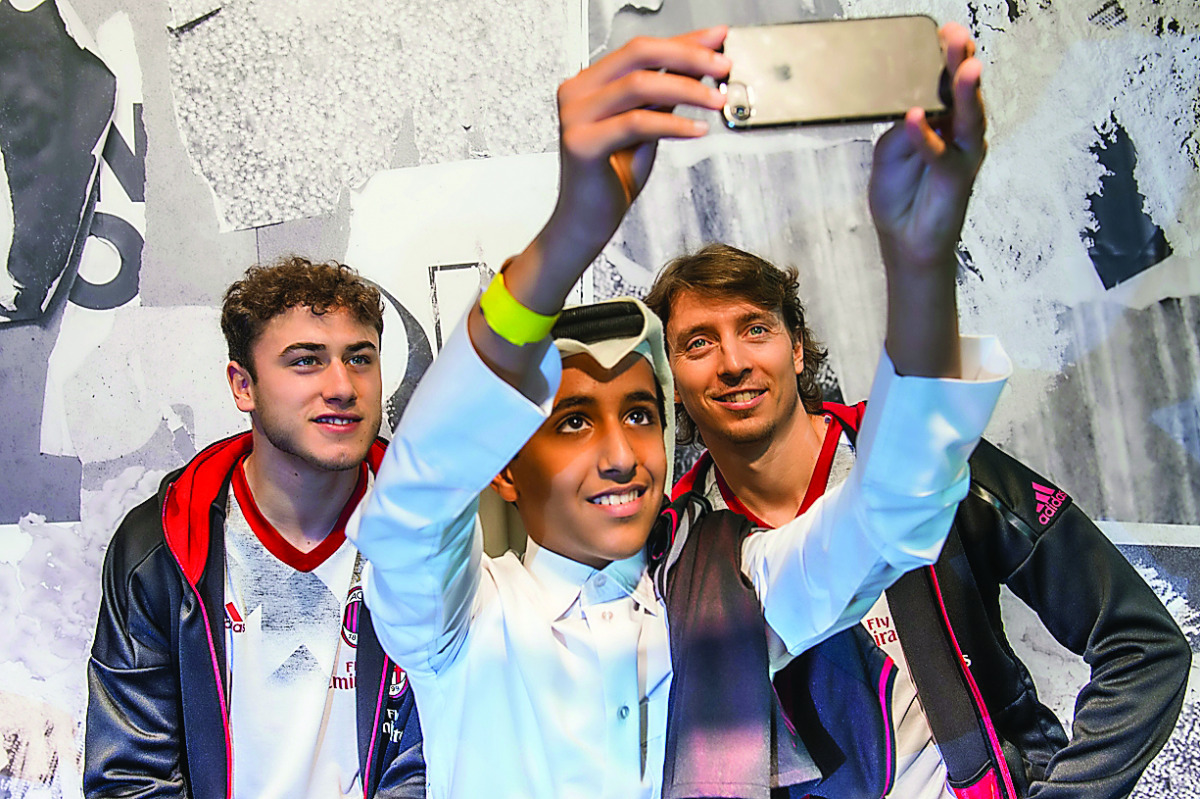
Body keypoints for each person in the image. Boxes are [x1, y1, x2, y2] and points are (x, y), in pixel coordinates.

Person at [350, 23, 1011, 799]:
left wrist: (923, 260)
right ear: (501, 467)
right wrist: (571, 231)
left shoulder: (722, 597)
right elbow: (411, 508)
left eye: (638, 414)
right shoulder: (461, 623)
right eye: (573, 422)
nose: (623, 453)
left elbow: (889, 519)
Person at [646, 97, 1190, 799]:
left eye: (755, 328)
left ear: (797, 346)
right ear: (674, 381)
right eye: (698, 342)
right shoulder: (675, 548)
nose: (732, 361)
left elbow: (1142, 644)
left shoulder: (924, 459)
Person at [84, 258, 424, 799]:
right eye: (307, 361)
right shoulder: (163, 545)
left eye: (360, 359)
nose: (342, 386)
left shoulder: (426, 534)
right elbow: (130, 777)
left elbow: (433, 763)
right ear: (244, 385)